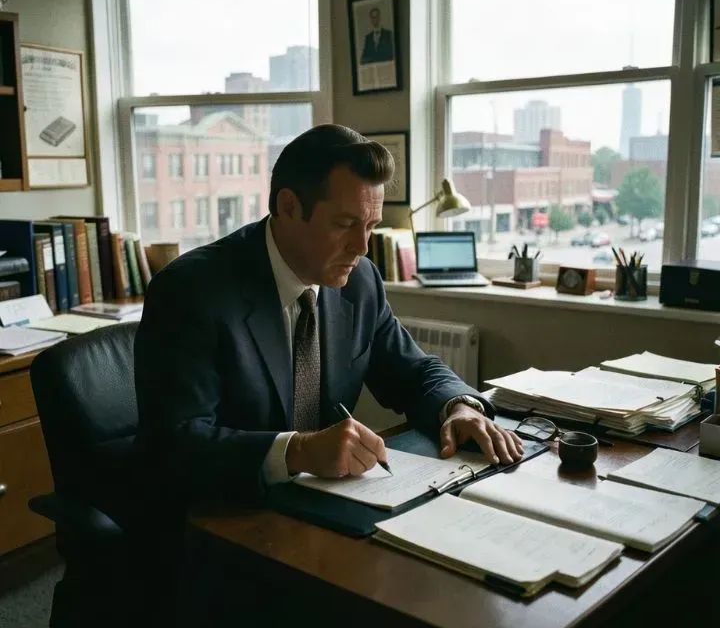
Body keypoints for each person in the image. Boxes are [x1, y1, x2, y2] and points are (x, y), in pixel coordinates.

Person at [134, 123, 522, 508]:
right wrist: (296, 452)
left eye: (371, 226)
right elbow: (174, 446)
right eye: (344, 224)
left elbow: (414, 371)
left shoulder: (360, 280)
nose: (362, 247)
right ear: (288, 207)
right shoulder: (190, 290)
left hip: (321, 507)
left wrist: (458, 407)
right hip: (220, 519)